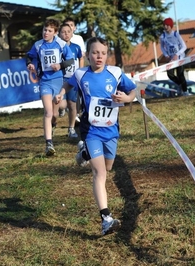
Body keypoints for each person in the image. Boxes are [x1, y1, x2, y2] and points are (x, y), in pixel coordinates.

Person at [56, 37, 136, 235]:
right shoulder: (81, 74)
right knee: (99, 173)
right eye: (94, 52)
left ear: (107, 55)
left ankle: (84, 154)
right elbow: (68, 84)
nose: (99, 56)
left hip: (111, 131)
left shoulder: (115, 73)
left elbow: (133, 91)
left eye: (102, 53)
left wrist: (126, 98)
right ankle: (106, 218)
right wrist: (60, 93)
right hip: (91, 131)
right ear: (87, 55)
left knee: (108, 167)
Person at [26, 19, 74, 156]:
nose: (46, 33)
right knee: (48, 112)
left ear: (55, 33)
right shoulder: (38, 45)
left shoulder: (61, 44)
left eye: (49, 31)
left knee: (55, 113)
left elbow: (70, 60)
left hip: (58, 81)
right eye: (44, 30)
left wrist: (60, 65)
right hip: (45, 82)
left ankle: (56, 119)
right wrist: (30, 64)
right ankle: (49, 144)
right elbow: (29, 57)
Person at [58, 23, 84, 138]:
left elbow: (80, 58)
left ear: (72, 33)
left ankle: (71, 128)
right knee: (62, 104)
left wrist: (80, 72)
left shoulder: (76, 47)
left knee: (72, 104)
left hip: (72, 78)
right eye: (63, 32)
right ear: (59, 34)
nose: (66, 34)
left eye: (68, 31)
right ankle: (61, 110)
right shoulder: (57, 47)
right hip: (60, 78)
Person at [62, 17, 86, 122]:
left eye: (71, 26)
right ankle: (63, 109)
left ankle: (74, 120)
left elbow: (82, 55)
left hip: (73, 74)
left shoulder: (78, 40)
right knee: (62, 102)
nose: (69, 28)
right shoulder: (58, 43)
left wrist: (80, 71)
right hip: (61, 76)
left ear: (74, 28)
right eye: (66, 26)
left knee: (74, 100)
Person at [160, 17, 188, 95]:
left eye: (167, 25)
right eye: (164, 25)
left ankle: (185, 91)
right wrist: (166, 55)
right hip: (171, 59)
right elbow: (162, 47)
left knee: (180, 74)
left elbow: (184, 46)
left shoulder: (176, 34)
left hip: (180, 58)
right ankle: (180, 85)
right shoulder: (163, 36)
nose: (165, 27)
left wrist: (177, 54)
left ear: (171, 26)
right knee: (170, 74)